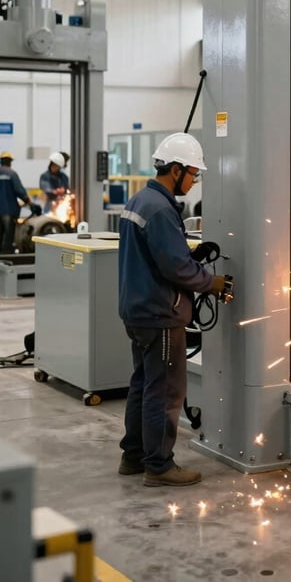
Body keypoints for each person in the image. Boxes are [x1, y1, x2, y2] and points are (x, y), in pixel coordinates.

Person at [117, 132, 229, 487]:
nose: (194, 182)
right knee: (165, 391)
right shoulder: (162, 209)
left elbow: (163, 258)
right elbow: (175, 269)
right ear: (176, 169)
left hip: (138, 310)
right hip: (161, 315)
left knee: (143, 385)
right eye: (193, 174)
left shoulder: (141, 200)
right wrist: (212, 282)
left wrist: (190, 256)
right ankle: (159, 465)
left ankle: (133, 455)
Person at [0, 152, 38, 254]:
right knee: (9, 235)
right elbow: (20, 191)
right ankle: (7, 254)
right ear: (10, 162)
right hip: (9, 210)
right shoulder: (12, 174)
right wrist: (30, 203)